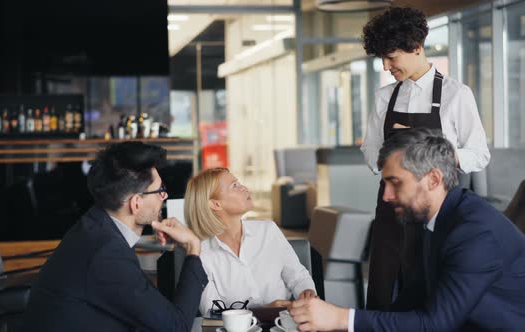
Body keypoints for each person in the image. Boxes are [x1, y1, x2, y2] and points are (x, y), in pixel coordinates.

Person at [290, 128, 525, 331]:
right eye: (385, 184)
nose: (386, 196)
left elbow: (436, 325)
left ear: (433, 179)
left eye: (396, 182)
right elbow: (413, 299)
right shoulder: (437, 219)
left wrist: (340, 318)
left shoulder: (475, 233)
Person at [359, 7, 491, 310]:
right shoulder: (385, 97)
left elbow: (480, 154)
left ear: (416, 48)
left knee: (430, 290)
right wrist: (387, 159)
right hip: (391, 206)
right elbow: (370, 150)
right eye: (382, 58)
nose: (386, 66)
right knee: (383, 287)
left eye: (392, 57)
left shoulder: (455, 94)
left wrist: (431, 147)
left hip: (437, 210)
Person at [24, 142, 207, 332]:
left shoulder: (93, 226)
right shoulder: (107, 255)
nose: (165, 196)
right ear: (136, 203)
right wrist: (193, 247)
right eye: (160, 190)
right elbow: (176, 327)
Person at [183, 168, 317, 316]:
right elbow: (211, 312)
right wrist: (260, 312)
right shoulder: (201, 253)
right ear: (216, 204)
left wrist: (306, 291)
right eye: (234, 186)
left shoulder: (269, 230)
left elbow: (298, 276)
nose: (244, 188)